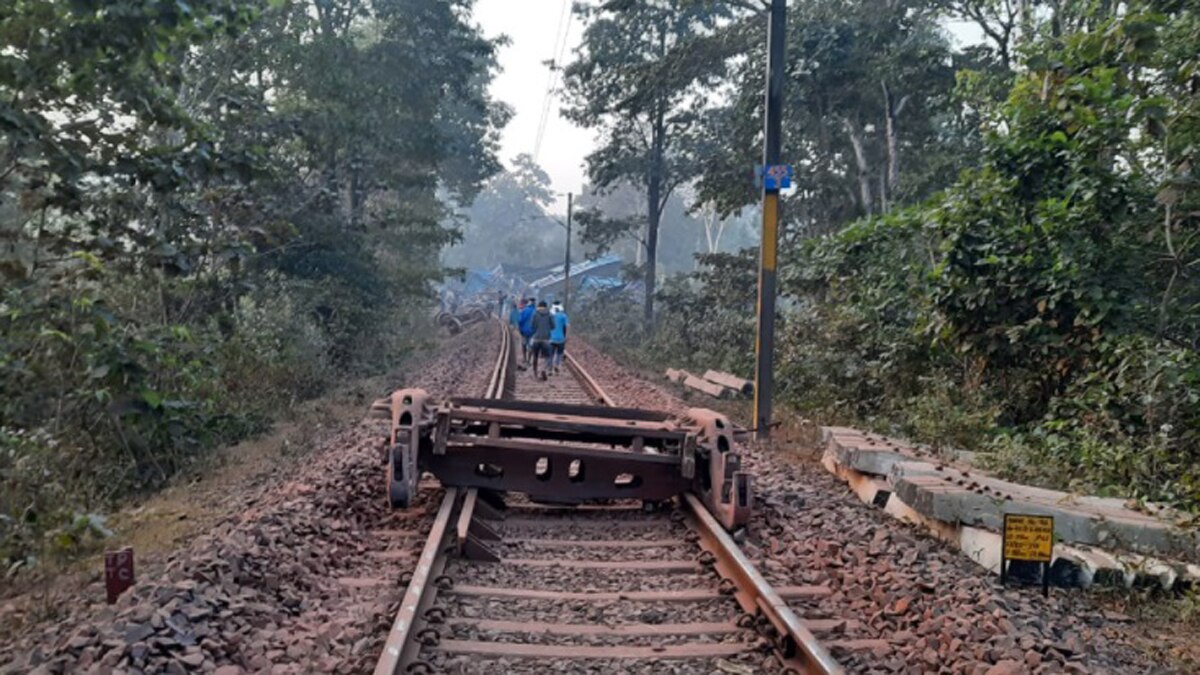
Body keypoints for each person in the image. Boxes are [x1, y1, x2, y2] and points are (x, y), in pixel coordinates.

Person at [530, 301, 554, 380]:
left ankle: (535, 373)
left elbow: (532, 326)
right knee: (547, 356)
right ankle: (543, 369)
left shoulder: (535, 314)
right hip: (546, 339)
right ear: (546, 306)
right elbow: (553, 326)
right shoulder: (550, 314)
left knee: (535, 356)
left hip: (536, 338)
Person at [549, 301, 568, 374]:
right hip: (561, 338)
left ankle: (550, 368)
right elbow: (567, 326)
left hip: (551, 339)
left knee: (551, 354)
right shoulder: (563, 316)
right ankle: (556, 365)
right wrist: (566, 336)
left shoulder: (550, 315)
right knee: (559, 353)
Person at [518, 298, 536, 365]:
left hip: (524, 331)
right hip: (533, 332)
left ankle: (524, 358)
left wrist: (520, 329)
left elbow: (520, 321)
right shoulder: (536, 311)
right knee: (531, 346)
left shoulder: (524, 310)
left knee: (524, 344)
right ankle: (529, 360)